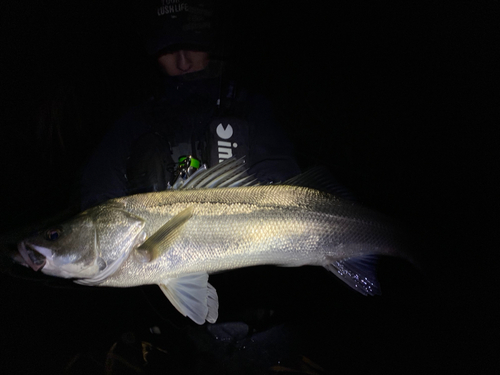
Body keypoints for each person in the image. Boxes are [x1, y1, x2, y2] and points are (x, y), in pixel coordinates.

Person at [80, 0, 300, 210]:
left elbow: (283, 178)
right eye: (167, 50)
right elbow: (99, 196)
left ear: (211, 43)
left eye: (191, 46)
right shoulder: (134, 122)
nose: (182, 63)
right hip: (153, 245)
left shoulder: (251, 108)